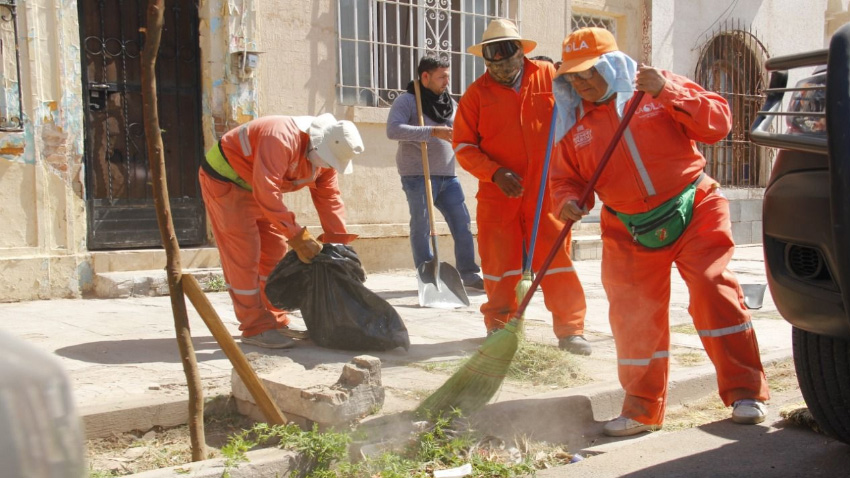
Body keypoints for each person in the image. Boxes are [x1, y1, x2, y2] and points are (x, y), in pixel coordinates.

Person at [548, 27, 770, 436]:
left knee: (710, 288)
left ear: (613, 65)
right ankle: (641, 410)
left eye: (588, 73)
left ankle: (745, 391)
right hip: (627, 225)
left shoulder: (655, 87)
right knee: (633, 316)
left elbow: (718, 124)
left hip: (694, 206)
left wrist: (667, 91)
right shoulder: (572, 121)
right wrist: (567, 200)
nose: (580, 83)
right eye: (572, 77)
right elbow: (564, 178)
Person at [453, 19, 590, 355]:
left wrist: (571, 80)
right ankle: (499, 328)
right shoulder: (475, 96)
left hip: (547, 190)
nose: (500, 63)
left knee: (556, 260)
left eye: (506, 53)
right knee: (500, 266)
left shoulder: (549, 77)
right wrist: (495, 172)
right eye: (492, 57)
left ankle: (571, 330)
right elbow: (463, 147)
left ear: (521, 51)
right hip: (499, 195)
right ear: (485, 59)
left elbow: (580, 114)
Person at [199, 114, 364, 349]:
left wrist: (338, 246)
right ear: (316, 142)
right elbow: (267, 190)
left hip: (260, 189)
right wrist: (297, 236)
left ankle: (275, 319)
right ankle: (254, 327)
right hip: (227, 181)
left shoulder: (328, 158)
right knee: (244, 255)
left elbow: (329, 199)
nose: (326, 166)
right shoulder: (279, 136)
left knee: (275, 253)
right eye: (326, 160)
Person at [386, 56, 484, 291]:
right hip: (417, 175)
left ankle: (469, 273)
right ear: (425, 77)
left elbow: (462, 131)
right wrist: (432, 131)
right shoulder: (408, 101)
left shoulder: (450, 103)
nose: (446, 81)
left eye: (448, 76)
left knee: (462, 223)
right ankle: (427, 275)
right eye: (442, 76)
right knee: (421, 225)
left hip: (448, 176)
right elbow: (393, 130)